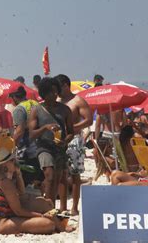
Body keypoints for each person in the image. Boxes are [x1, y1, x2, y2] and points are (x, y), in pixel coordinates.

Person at [0, 148, 72, 234]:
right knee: (48, 224)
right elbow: (18, 211)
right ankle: (60, 226)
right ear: (5, 165)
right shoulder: (5, 182)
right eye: (12, 161)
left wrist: (18, 174)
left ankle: (60, 226)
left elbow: (22, 194)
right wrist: (41, 216)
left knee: (45, 204)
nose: (15, 162)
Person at [28, 77, 74, 208]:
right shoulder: (36, 110)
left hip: (60, 149)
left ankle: (51, 206)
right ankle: (48, 209)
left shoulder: (65, 110)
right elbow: (31, 134)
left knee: (56, 180)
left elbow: (71, 131)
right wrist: (45, 128)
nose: (54, 94)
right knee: (49, 175)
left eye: (55, 91)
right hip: (44, 148)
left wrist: (65, 141)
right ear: (44, 93)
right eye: (50, 92)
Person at [55, 74, 92, 215]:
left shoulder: (78, 101)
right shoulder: (57, 100)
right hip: (60, 139)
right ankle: (63, 206)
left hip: (75, 139)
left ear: (65, 85)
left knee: (75, 174)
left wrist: (72, 127)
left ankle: (74, 207)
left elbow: (88, 120)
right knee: (61, 173)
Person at [9, 86, 41, 185]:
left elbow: (19, 131)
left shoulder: (19, 109)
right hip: (39, 146)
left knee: (24, 178)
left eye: (11, 97)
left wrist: (11, 145)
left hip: (27, 149)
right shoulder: (36, 104)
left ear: (15, 97)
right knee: (38, 178)